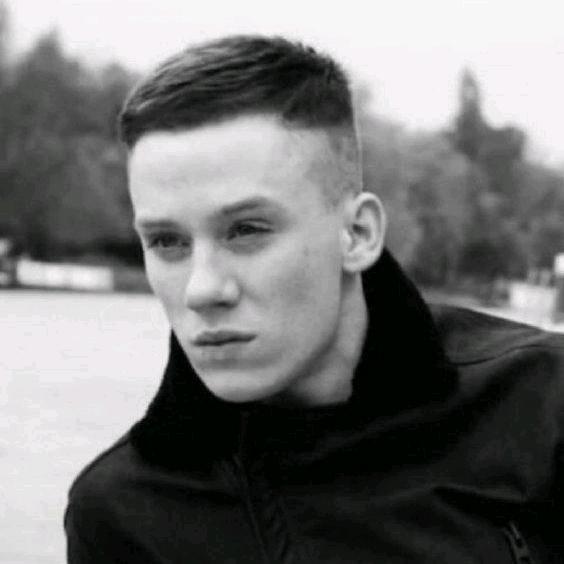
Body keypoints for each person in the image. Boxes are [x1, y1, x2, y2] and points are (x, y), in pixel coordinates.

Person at [64, 35, 564, 563]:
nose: (202, 289)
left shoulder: (545, 407)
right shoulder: (120, 514)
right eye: (167, 242)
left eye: (247, 230)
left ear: (358, 234)